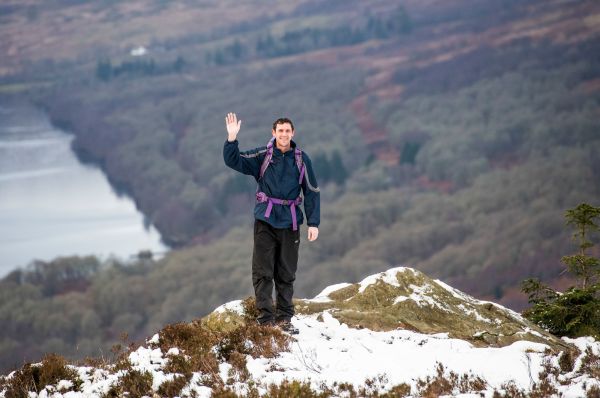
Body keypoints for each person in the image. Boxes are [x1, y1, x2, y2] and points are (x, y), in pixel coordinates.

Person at [223, 112, 320, 333]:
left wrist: (313, 223)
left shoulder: (302, 159)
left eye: (287, 131)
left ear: (292, 133)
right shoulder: (262, 155)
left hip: (291, 222)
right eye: (280, 131)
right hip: (265, 220)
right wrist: (231, 139)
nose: (284, 134)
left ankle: (285, 319)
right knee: (263, 271)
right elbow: (234, 160)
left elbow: (312, 191)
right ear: (273, 133)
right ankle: (265, 319)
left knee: (286, 273)